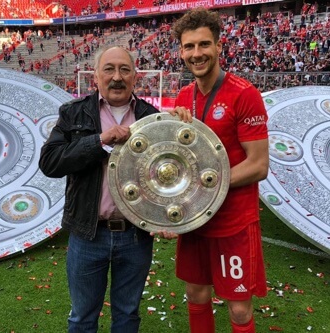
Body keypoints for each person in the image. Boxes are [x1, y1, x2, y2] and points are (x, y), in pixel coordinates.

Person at [161, 8, 269, 333]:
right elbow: (177, 166)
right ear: (181, 51)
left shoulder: (244, 94)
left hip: (232, 222)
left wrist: (207, 191)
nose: (197, 54)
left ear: (219, 46)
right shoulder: (182, 98)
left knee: (238, 308)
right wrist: (170, 214)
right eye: (189, 47)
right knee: (195, 293)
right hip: (196, 221)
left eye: (204, 45)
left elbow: (258, 165)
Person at [39, 46, 159, 333]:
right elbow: (50, 162)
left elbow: (164, 175)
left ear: (135, 76)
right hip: (87, 235)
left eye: (124, 69)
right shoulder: (73, 113)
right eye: (109, 69)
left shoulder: (152, 117)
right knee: (82, 317)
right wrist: (100, 141)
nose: (116, 77)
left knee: (128, 315)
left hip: (135, 236)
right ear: (95, 76)